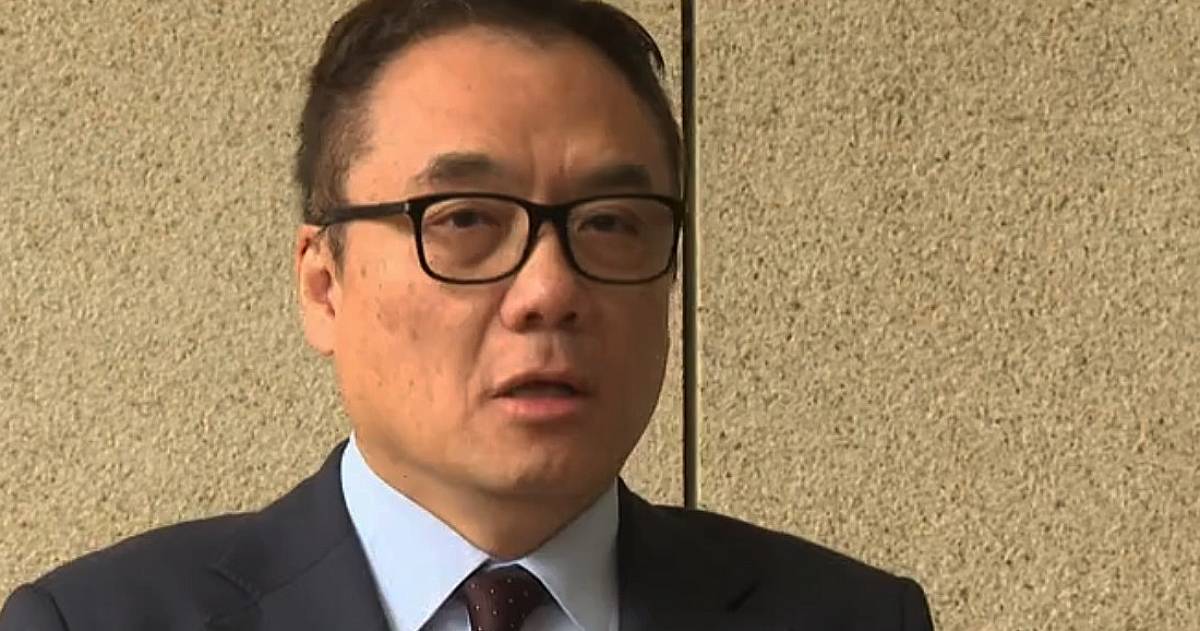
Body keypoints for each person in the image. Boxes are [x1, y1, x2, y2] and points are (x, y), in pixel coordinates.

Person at [0, 1, 935, 629]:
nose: (548, 290)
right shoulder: (94, 620)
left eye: (610, 222)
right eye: (464, 220)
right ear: (323, 284)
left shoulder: (850, 617)